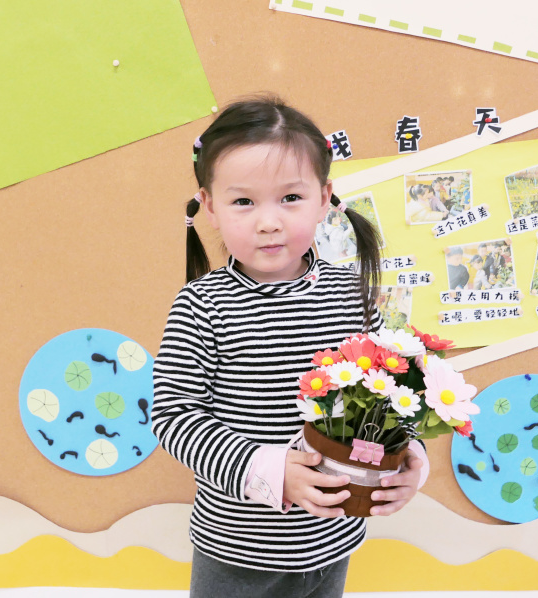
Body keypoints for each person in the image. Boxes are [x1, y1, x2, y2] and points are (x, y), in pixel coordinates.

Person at [153, 97, 429, 597]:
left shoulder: (350, 293)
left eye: (291, 198)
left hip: (334, 539)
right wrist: (269, 469)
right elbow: (174, 416)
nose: (268, 222)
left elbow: (389, 395)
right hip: (237, 551)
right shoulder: (202, 305)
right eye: (243, 202)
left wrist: (411, 458)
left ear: (324, 198)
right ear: (209, 206)